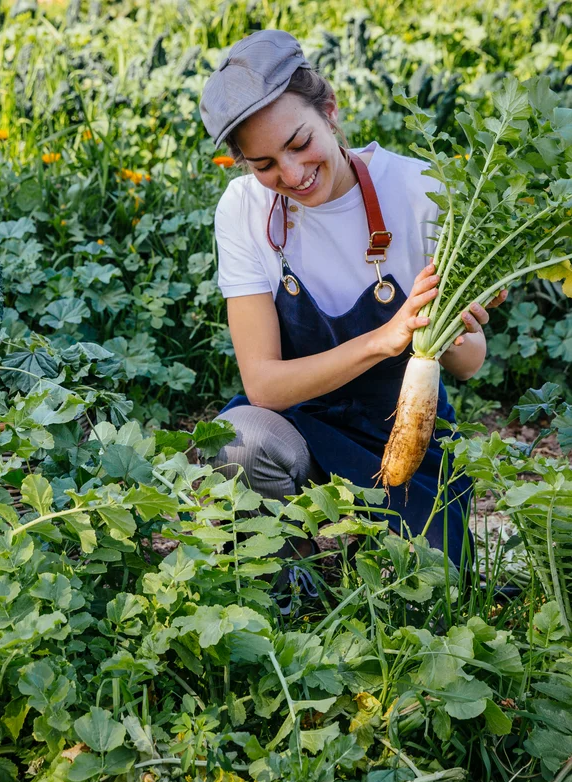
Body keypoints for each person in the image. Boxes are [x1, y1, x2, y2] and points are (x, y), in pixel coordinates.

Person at [198, 30, 507, 573]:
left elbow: (471, 362)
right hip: (301, 423)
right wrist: (383, 339)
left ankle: (362, 557)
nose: (291, 175)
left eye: (299, 143)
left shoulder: (420, 191)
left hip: (407, 431)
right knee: (242, 444)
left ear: (330, 110)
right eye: (264, 163)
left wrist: (449, 329)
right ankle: (288, 585)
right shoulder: (242, 209)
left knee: (429, 585)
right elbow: (264, 385)